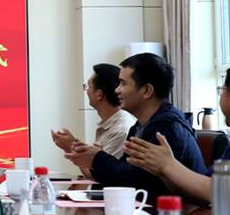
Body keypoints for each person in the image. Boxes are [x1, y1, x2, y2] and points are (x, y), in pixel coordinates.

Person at [65, 53, 206, 204]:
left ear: (147, 90)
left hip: (176, 214)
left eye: (123, 84)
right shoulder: (139, 127)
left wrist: (97, 159)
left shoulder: (168, 129)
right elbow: (124, 173)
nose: (117, 90)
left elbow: (140, 181)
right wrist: (94, 159)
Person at [124, 61, 230, 203]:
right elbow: (202, 190)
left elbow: (229, 192)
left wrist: (168, 165)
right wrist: (163, 171)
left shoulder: (170, 125)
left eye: (222, 90)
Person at [52, 64, 135, 160]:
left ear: (99, 95)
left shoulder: (120, 131)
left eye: (88, 86)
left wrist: (71, 146)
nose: (86, 91)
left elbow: (102, 169)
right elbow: (94, 166)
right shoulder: (110, 124)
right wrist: (73, 146)